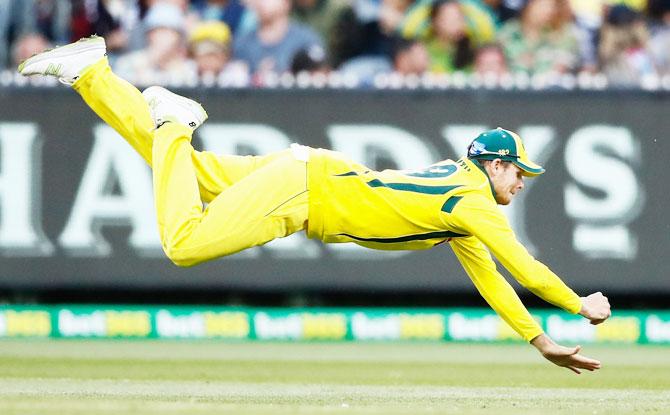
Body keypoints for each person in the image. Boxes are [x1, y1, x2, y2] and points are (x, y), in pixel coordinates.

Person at [19, 36, 611, 374]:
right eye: (519, 171)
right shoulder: (475, 201)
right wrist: (578, 304)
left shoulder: (461, 195)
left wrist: (540, 339)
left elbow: (494, 281)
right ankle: (176, 118)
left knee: (187, 175)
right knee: (184, 243)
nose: (522, 182)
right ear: (496, 164)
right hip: (305, 190)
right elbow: (523, 265)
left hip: (307, 173)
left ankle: (92, 72)